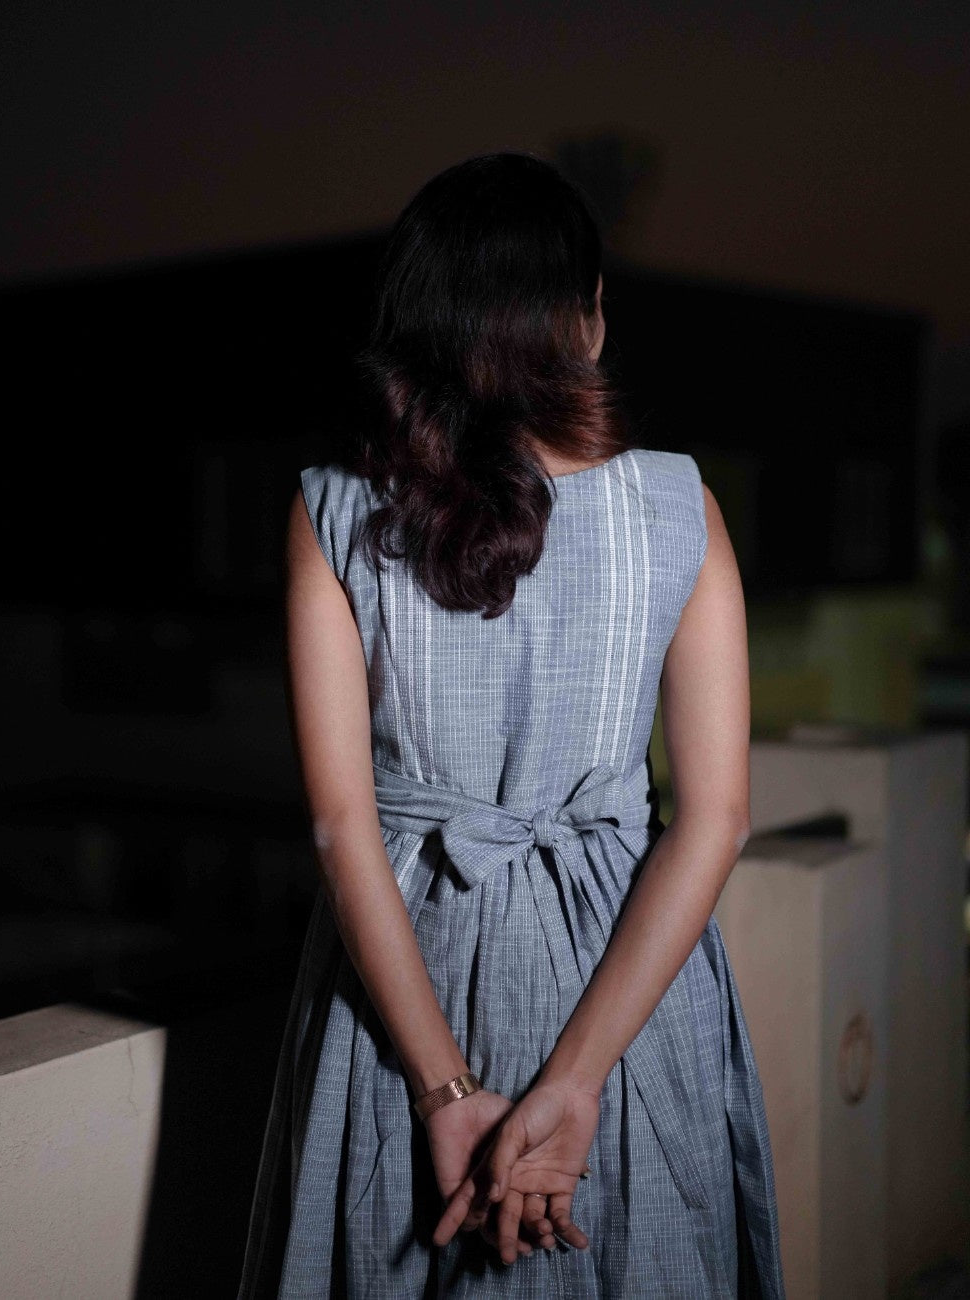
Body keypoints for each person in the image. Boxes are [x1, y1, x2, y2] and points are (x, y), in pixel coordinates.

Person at [237, 152, 785, 1298]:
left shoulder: (329, 509)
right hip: (626, 996)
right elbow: (715, 819)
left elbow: (343, 829)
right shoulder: (682, 506)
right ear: (585, 320)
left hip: (405, 989)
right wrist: (577, 1077)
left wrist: (443, 1090)